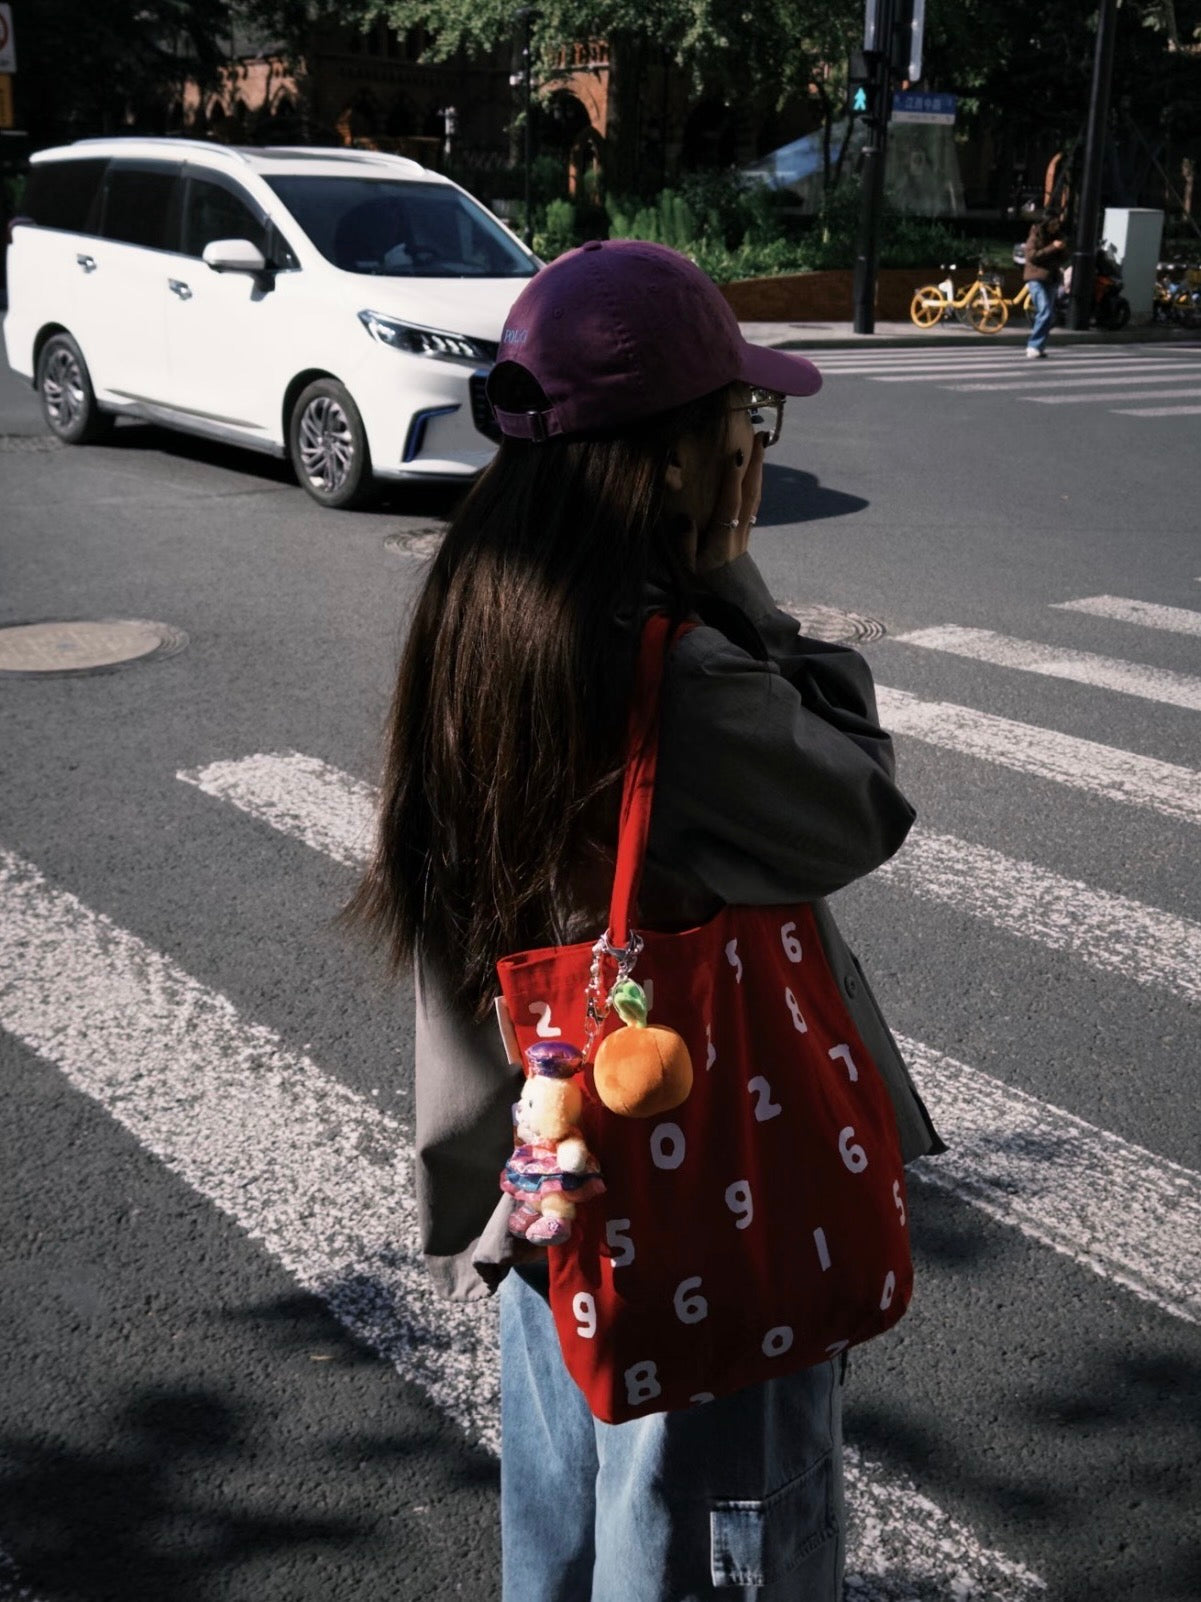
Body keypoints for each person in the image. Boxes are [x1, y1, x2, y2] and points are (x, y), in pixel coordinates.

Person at [347, 239, 943, 1602]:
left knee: (563, 1542)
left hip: (544, 1196)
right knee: (712, 1546)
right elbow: (858, 803)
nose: (755, 442)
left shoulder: (478, 610)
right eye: (746, 414)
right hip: (697, 1218)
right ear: (672, 458)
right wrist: (735, 582)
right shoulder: (676, 674)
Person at [1023, 209, 1070, 357]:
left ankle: (1039, 347)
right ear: (1046, 224)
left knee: (1049, 315)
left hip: (1052, 278)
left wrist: (1062, 249)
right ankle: (1033, 346)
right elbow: (1032, 256)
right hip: (1036, 278)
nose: (1056, 227)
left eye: (1057, 224)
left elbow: (1063, 258)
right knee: (1045, 312)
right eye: (1053, 224)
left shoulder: (1058, 237)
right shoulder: (1035, 236)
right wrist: (1052, 247)